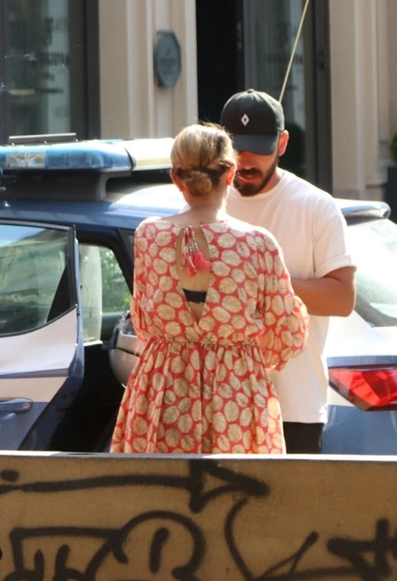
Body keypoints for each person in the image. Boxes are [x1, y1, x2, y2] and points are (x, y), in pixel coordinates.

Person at [113, 123, 309, 454]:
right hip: (236, 393)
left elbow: (144, 322)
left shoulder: (149, 236)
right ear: (230, 173)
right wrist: (242, 350)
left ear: (176, 178)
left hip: (164, 390)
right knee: (236, 496)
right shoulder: (257, 243)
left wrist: (181, 342)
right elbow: (288, 334)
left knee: (159, 496)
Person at [221, 89, 356, 454]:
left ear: (282, 144)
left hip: (294, 406)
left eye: (259, 148)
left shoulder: (316, 207)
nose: (246, 161)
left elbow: (343, 298)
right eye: (236, 148)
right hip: (220, 403)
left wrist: (268, 283)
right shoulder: (207, 204)